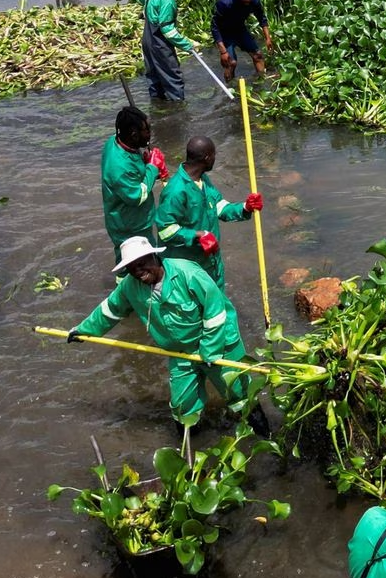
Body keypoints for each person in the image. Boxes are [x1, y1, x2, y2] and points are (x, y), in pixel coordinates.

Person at [68, 236, 251, 426]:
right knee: (182, 407)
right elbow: (109, 310)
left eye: (141, 264)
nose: (138, 272)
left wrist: (210, 351)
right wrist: (83, 330)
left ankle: (258, 435)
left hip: (219, 344)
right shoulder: (130, 286)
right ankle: (191, 442)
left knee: (239, 396)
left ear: (154, 257)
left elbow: (215, 312)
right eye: (131, 269)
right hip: (180, 351)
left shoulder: (187, 273)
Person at [152, 135, 262, 287]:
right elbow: (165, 230)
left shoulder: (203, 180)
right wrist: (198, 235)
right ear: (207, 157)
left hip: (210, 261)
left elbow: (220, 207)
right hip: (187, 267)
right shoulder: (175, 191)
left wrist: (245, 207)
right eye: (214, 154)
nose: (215, 158)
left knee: (219, 305)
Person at [102, 106, 168, 259]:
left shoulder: (117, 140)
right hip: (129, 225)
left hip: (135, 220)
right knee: (136, 264)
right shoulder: (119, 167)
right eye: (147, 131)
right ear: (133, 135)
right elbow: (137, 196)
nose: (150, 135)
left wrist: (146, 165)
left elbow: (134, 173)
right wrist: (152, 168)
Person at [139, 0, 198, 101]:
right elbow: (168, 30)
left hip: (147, 39)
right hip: (159, 42)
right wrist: (187, 45)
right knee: (172, 75)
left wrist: (149, 10)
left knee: (153, 75)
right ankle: (178, 108)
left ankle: (157, 106)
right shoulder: (167, 0)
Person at [211, 0, 273, 81]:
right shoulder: (225, 3)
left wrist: (268, 38)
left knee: (258, 55)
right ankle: (231, 89)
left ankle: (262, 83)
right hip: (225, 32)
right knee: (231, 63)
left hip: (240, 29)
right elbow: (215, 27)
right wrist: (223, 52)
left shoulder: (254, 0)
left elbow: (262, 18)